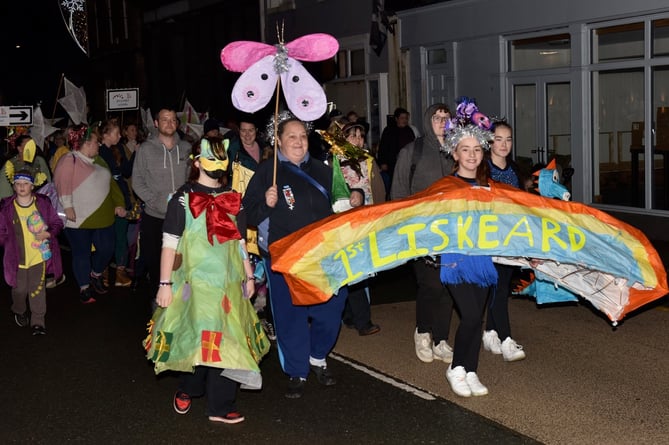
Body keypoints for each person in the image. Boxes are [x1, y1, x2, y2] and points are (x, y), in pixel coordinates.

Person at [144, 136, 269, 424]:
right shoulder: (182, 199)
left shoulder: (232, 199)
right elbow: (169, 244)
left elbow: (239, 242)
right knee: (197, 337)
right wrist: (164, 285)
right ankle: (189, 387)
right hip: (194, 284)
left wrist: (250, 276)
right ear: (197, 162)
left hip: (227, 283)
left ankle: (221, 405)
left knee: (228, 338)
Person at [243, 115, 364, 398]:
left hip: (323, 255)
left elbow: (343, 200)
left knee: (332, 306)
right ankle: (297, 370)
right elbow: (247, 213)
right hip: (284, 256)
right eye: (292, 136)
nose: (298, 142)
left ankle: (317, 356)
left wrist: (356, 195)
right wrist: (266, 203)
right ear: (279, 140)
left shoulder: (323, 169)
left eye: (303, 136)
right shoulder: (266, 172)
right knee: (290, 314)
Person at [391, 103, 455, 364]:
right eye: (436, 118)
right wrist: (404, 228)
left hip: (453, 231)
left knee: (450, 285)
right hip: (421, 231)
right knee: (431, 284)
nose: (441, 122)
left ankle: (441, 339)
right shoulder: (412, 151)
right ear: (428, 120)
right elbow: (398, 192)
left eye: (446, 118)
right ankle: (423, 332)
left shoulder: (458, 150)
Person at [441, 100, 496, 397]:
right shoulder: (445, 186)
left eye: (477, 150)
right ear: (455, 153)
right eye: (466, 149)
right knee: (471, 316)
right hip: (455, 261)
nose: (472, 155)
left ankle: (471, 369)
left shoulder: (489, 187)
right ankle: (456, 368)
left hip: (483, 259)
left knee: (478, 318)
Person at [53, 124, 127, 304]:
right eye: (95, 141)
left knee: (107, 249)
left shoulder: (100, 161)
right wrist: (68, 206)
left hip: (103, 217)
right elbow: (61, 182)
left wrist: (119, 203)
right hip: (78, 218)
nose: (98, 145)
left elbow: (112, 184)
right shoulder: (69, 159)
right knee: (81, 253)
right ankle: (84, 287)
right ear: (85, 143)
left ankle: (96, 274)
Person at [326, 121, 384, 335]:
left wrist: (380, 215)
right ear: (342, 138)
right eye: (353, 135)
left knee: (360, 269)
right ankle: (363, 321)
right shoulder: (335, 163)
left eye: (361, 135)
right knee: (355, 269)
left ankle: (349, 315)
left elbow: (377, 189)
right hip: (345, 222)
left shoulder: (367, 160)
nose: (358, 139)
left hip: (367, 219)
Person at [131, 107, 191, 306]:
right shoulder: (146, 149)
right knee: (155, 262)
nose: (169, 123)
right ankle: (158, 303)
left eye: (173, 120)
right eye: (165, 119)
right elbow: (137, 181)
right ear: (156, 123)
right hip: (155, 217)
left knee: (182, 261)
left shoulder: (186, 148)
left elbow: (193, 178)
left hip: (183, 217)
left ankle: (181, 304)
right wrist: (154, 200)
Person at [226, 114, 275, 340]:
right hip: (240, 214)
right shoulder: (233, 152)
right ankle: (242, 309)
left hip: (263, 213)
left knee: (263, 261)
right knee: (246, 260)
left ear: (257, 132)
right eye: (243, 130)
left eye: (251, 130)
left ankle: (261, 306)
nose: (247, 134)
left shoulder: (267, 150)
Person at [482, 120, 526, 362]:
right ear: (490, 141)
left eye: (508, 139)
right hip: (490, 239)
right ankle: (507, 339)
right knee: (498, 289)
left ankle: (490, 332)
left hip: (512, 239)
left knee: (502, 287)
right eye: (498, 139)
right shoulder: (482, 169)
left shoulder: (515, 169)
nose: (504, 144)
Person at [0, 170, 64, 335]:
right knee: (20, 290)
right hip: (17, 258)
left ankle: (38, 321)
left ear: (32, 185)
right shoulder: (7, 207)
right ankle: (19, 309)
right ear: (14, 186)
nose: (22, 187)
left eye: (26, 183)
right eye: (18, 184)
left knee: (37, 289)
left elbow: (57, 222)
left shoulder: (42, 203)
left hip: (38, 256)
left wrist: (48, 233)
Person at [98, 120, 133, 287]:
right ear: (105, 135)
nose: (120, 136)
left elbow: (126, 171)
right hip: (106, 200)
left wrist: (134, 156)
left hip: (122, 196)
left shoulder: (118, 149)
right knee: (105, 238)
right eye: (116, 133)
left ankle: (120, 271)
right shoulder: (97, 152)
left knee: (121, 235)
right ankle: (101, 271)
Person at [377, 107, 415, 197]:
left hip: (407, 162)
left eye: (406, 118)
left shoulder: (409, 131)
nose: (404, 120)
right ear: (396, 119)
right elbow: (383, 147)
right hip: (392, 163)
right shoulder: (389, 131)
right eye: (402, 118)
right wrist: (383, 162)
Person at [0, 135, 51, 199]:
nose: (32, 146)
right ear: (19, 149)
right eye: (28, 144)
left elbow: (48, 184)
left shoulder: (39, 161)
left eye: (33, 144)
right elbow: (3, 190)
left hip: (38, 200)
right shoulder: (10, 164)